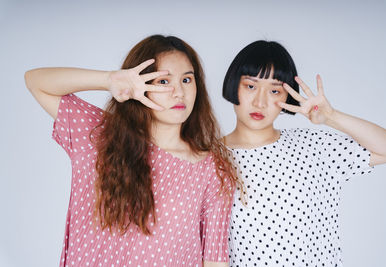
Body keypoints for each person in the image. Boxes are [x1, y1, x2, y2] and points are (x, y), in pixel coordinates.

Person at [25, 35, 239, 267]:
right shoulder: (99, 136)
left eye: (187, 80)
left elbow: (214, 258)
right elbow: (35, 81)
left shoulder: (211, 169)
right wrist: (111, 80)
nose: (179, 92)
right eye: (164, 82)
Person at [222, 40, 386, 266]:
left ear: (287, 96)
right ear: (233, 84)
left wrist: (331, 117)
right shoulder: (207, 159)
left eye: (275, 90)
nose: (260, 101)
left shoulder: (315, 146)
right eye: (250, 86)